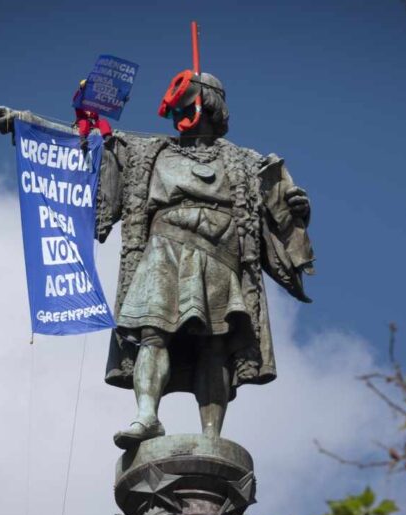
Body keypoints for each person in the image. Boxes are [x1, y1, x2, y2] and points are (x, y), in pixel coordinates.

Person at [94, 71, 315, 448]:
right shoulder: (148, 151)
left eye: (190, 103)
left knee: (217, 342)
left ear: (210, 105)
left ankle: (211, 436)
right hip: (164, 246)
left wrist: (296, 208)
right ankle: (147, 416)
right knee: (152, 331)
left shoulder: (247, 162)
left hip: (221, 252)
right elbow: (85, 140)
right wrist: (25, 126)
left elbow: (281, 214)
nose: (181, 113)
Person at [73, 79, 113, 148]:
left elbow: (110, 104)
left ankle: (108, 138)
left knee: (103, 121)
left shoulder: (94, 103)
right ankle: (83, 140)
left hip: (94, 124)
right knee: (84, 122)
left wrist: (122, 100)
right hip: (84, 123)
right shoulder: (79, 104)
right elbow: (76, 98)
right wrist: (82, 88)